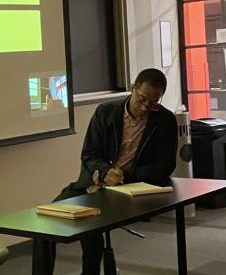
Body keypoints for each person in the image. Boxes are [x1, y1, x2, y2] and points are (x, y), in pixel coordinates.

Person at [38, 68, 178, 275]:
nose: (146, 106)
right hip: (92, 183)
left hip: (131, 188)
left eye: (153, 102)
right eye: (142, 99)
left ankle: (91, 271)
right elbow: (89, 154)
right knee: (44, 225)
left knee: (92, 225)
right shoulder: (106, 112)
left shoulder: (164, 120)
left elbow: (165, 166)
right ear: (132, 88)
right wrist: (105, 172)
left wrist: (124, 175)